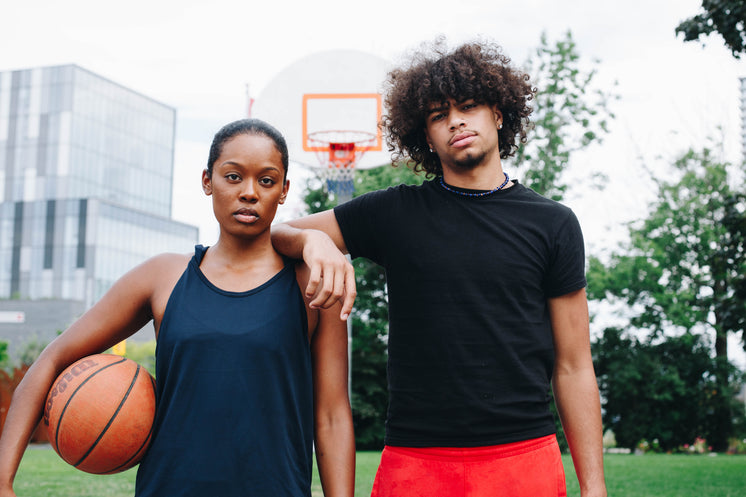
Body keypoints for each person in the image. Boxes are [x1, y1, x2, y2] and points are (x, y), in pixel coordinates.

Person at [272, 40, 606, 497]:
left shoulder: (554, 223)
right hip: (416, 461)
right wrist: (314, 240)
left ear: (499, 113)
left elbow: (574, 366)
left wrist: (594, 486)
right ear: (425, 136)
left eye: (468, 106)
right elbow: (277, 233)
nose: (455, 121)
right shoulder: (393, 213)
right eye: (438, 115)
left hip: (523, 458)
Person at [0, 119, 355, 497]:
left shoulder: (313, 283)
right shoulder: (162, 276)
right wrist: (3, 479)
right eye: (233, 177)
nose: (249, 192)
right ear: (207, 181)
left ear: (283, 191)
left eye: (266, 181)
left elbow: (331, 417)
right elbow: (51, 360)